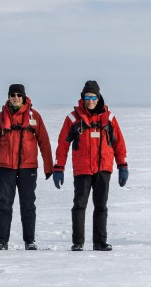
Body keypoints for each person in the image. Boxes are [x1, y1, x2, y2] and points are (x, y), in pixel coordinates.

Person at [52, 80, 128, 251]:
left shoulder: (109, 118)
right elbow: (62, 145)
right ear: (83, 98)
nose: (90, 101)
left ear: (98, 98)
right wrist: (59, 168)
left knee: (101, 206)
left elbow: (119, 143)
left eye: (93, 97)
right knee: (79, 205)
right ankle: (78, 242)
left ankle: (100, 242)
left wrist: (122, 165)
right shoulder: (73, 118)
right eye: (87, 97)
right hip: (83, 169)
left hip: (103, 168)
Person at [0, 83, 52, 250]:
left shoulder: (34, 116)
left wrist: (48, 167)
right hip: (5, 168)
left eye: (19, 95)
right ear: (8, 97)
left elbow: (44, 142)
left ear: (24, 97)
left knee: (28, 204)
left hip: (28, 168)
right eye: (13, 95)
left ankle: (30, 241)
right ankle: (2, 241)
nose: (16, 98)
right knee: (4, 204)